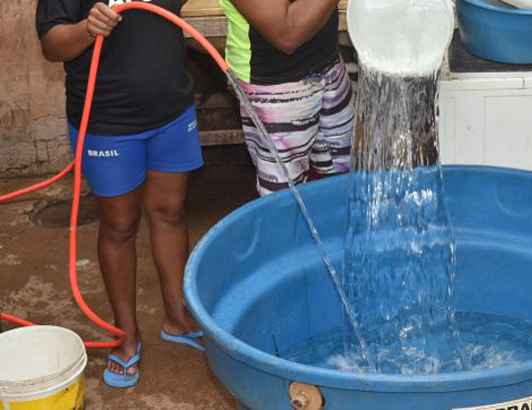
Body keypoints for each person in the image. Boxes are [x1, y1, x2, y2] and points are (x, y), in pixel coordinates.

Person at [36, 0, 204, 388]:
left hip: (172, 110)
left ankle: (177, 318)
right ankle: (125, 337)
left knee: (170, 212)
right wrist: (85, 30)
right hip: (106, 119)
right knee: (119, 226)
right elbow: (51, 44)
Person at [221, 0, 354, 196]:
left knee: (341, 175)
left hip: (328, 64)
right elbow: (286, 33)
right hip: (274, 87)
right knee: (286, 196)